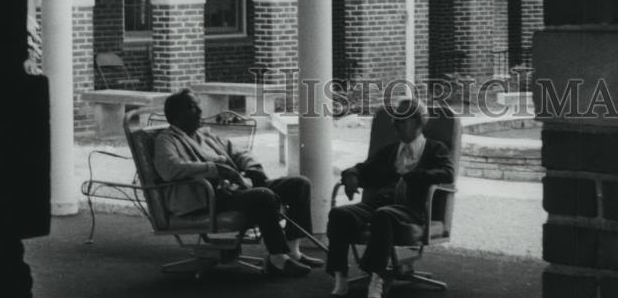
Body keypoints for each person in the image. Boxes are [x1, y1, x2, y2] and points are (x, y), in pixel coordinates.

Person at [154, 88, 323, 277]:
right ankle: (278, 259)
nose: (200, 112)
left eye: (198, 106)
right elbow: (169, 169)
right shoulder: (167, 140)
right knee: (263, 196)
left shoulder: (204, 135)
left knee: (299, 184)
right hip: (208, 198)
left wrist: (253, 167)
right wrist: (213, 168)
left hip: (234, 189)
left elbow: (239, 152)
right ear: (176, 115)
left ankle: (294, 252)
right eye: (193, 108)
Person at [326, 98, 454, 298]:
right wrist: (351, 176)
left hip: (411, 207)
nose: (395, 124)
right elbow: (364, 168)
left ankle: (377, 279)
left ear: (418, 122)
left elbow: (447, 174)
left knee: (383, 216)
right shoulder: (390, 150)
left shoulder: (436, 148)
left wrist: (411, 178)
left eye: (402, 120)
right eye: (395, 119)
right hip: (379, 203)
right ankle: (340, 277)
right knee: (339, 214)